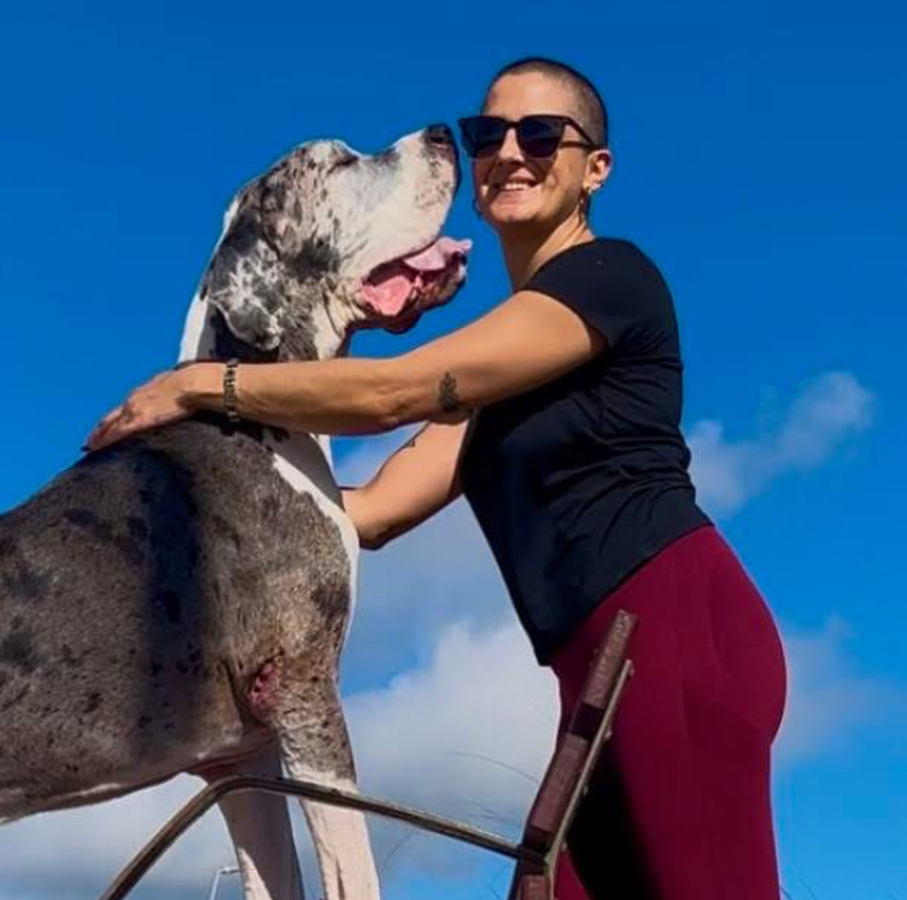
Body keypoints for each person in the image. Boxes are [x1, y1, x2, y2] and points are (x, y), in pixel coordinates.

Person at [83, 57, 788, 900]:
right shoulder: (500, 374)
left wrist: (205, 384)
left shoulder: (610, 280)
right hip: (594, 673)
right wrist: (204, 527)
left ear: (595, 168)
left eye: (541, 134)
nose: (509, 153)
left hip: (677, 631)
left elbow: (395, 391)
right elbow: (371, 512)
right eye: (489, 134)